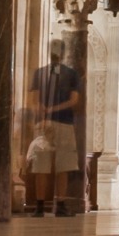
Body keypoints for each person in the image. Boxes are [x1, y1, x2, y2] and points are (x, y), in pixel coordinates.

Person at [31, 35, 85, 215]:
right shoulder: (69, 74)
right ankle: (56, 206)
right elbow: (74, 100)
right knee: (55, 165)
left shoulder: (43, 73)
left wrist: (46, 110)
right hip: (60, 122)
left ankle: (43, 206)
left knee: (54, 165)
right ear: (62, 54)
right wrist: (53, 109)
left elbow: (36, 100)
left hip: (49, 122)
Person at [21, 106, 56, 214]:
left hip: (52, 145)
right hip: (41, 148)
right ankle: (40, 204)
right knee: (40, 174)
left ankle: (47, 204)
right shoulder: (38, 127)